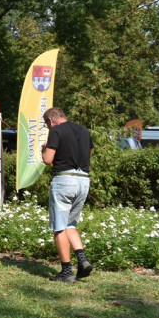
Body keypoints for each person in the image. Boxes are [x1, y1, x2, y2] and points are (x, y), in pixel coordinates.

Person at [41, 107, 94, 283]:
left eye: (46, 124)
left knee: (59, 226)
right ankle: (83, 260)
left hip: (64, 180)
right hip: (83, 180)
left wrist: (44, 150)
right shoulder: (84, 130)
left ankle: (66, 271)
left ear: (51, 121)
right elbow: (88, 154)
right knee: (71, 223)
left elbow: (48, 159)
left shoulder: (56, 131)